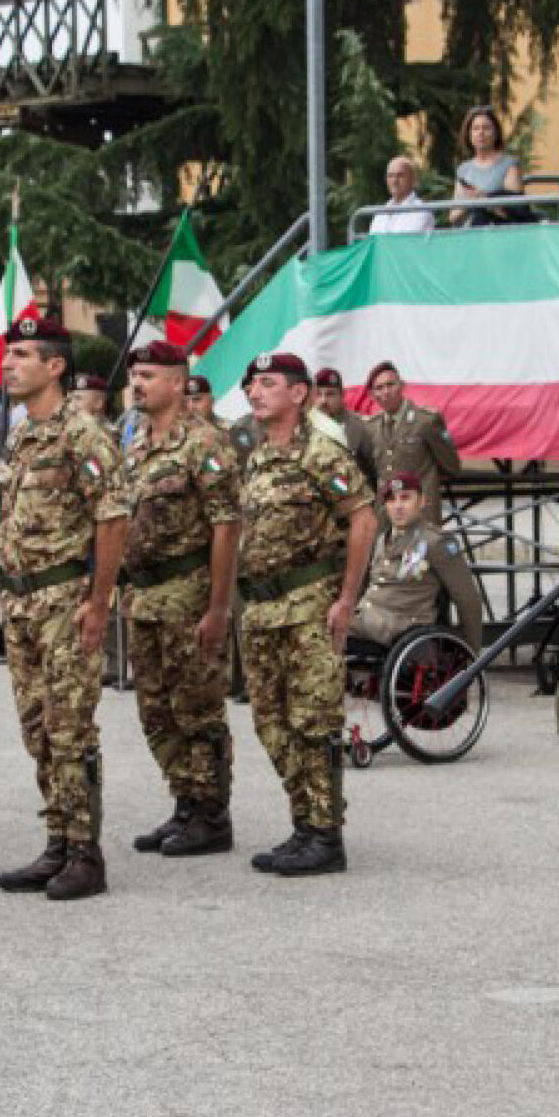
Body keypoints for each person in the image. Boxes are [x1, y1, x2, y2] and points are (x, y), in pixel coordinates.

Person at [0, 315, 130, 900]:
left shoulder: (83, 432)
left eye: (22, 354)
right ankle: (56, 841)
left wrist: (99, 601)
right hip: (22, 603)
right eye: (8, 353)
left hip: (65, 600)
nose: (8, 363)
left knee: (70, 728)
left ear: (55, 366)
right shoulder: (23, 433)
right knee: (37, 730)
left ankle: (84, 853)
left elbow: (113, 517)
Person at [234, 351, 376, 876]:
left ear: (299, 394)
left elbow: (362, 518)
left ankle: (325, 834)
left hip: (308, 606)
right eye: (253, 385)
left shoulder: (321, 453)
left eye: (268, 384)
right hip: (263, 609)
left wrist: (346, 598)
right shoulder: (256, 458)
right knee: (272, 724)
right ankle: (303, 823)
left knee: (314, 722)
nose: (255, 393)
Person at [116, 339, 241, 858]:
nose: (138, 383)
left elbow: (226, 527)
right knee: (156, 710)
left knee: (197, 708)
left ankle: (212, 815)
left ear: (176, 382)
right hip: (143, 598)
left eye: (148, 375)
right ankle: (185, 801)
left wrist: (217, 607)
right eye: (135, 375)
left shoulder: (205, 444)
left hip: (187, 594)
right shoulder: (137, 443)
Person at [352, 471, 485, 648]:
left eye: (405, 498)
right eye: (392, 500)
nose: (398, 506)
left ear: (422, 501)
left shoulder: (436, 542)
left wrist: (470, 652)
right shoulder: (382, 539)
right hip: (364, 622)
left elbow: (467, 599)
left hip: (399, 629)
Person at [363, 360, 460, 518]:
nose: (386, 392)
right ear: (372, 395)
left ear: (402, 385)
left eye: (390, 385)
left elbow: (451, 466)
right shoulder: (371, 427)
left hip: (421, 515)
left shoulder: (426, 421)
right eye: (379, 388)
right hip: (387, 515)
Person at [452, 105, 524, 227]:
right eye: (475, 129)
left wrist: (484, 201)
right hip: (469, 234)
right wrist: (470, 203)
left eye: (486, 128)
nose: (481, 133)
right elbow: (454, 217)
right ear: (469, 135)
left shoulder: (509, 166)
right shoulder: (463, 170)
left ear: (495, 133)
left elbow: (516, 214)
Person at [310, 367, 381, 488]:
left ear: (342, 394)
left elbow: (374, 471)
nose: (323, 400)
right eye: (318, 394)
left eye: (330, 394)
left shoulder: (359, 426)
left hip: (351, 497)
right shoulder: (306, 424)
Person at [369, 154, 435, 236]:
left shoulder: (421, 211)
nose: (394, 180)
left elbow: (407, 244)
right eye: (390, 176)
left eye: (400, 175)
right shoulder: (380, 214)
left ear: (413, 180)